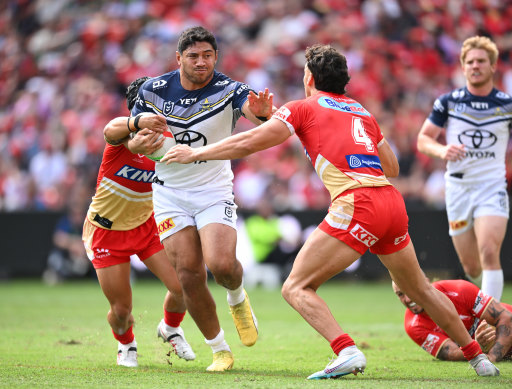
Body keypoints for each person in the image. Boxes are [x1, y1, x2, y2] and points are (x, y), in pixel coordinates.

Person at [162, 43, 500, 378]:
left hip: (358, 202)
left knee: (295, 287)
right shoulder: (361, 110)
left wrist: (196, 154)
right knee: (422, 290)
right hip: (390, 202)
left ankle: (346, 350)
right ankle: (478, 359)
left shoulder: (302, 108)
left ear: (309, 76)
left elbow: (252, 141)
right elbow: (392, 166)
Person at [131, 26, 274, 371]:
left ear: (216, 57)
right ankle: (220, 349)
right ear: (178, 58)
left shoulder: (230, 89)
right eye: (193, 56)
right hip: (169, 194)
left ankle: (237, 298)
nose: (201, 62)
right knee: (189, 276)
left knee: (222, 265)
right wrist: (140, 144)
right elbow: (130, 141)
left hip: (213, 190)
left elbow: (262, 120)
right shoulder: (153, 90)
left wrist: (265, 113)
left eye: (207, 55)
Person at [81, 77, 195, 368]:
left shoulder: (170, 139)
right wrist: (136, 125)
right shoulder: (122, 139)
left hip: (146, 227)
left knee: (185, 286)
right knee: (121, 311)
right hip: (107, 232)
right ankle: (126, 344)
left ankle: (170, 328)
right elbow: (111, 129)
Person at [417, 36, 512, 301]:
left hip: (491, 187)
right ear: (462, 67)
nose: (475, 66)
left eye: (481, 61)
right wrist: (442, 150)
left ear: (493, 66)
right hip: (458, 188)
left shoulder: (506, 105)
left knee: (490, 251)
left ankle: (489, 321)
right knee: (471, 266)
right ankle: (482, 300)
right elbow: (423, 139)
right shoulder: (448, 102)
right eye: (470, 62)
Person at [393, 279, 512, 362]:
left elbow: (506, 318)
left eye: (410, 290)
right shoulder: (413, 325)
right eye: (400, 294)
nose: (408, 299)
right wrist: (477, 346)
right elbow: (450, 353)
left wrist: (493, 357)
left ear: (424, 283)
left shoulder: (459, 290)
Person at [43, 204, 91, 285]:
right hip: (65, 257)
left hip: (82, 258)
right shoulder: (66, 222)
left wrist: (81, 246)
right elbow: (58, 239)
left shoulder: (87, 224)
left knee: (81, 265)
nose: (77, 217)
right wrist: (72, 244)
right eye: (75, 214)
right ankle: (58, 275)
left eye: (80, 214)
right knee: (55, 259)